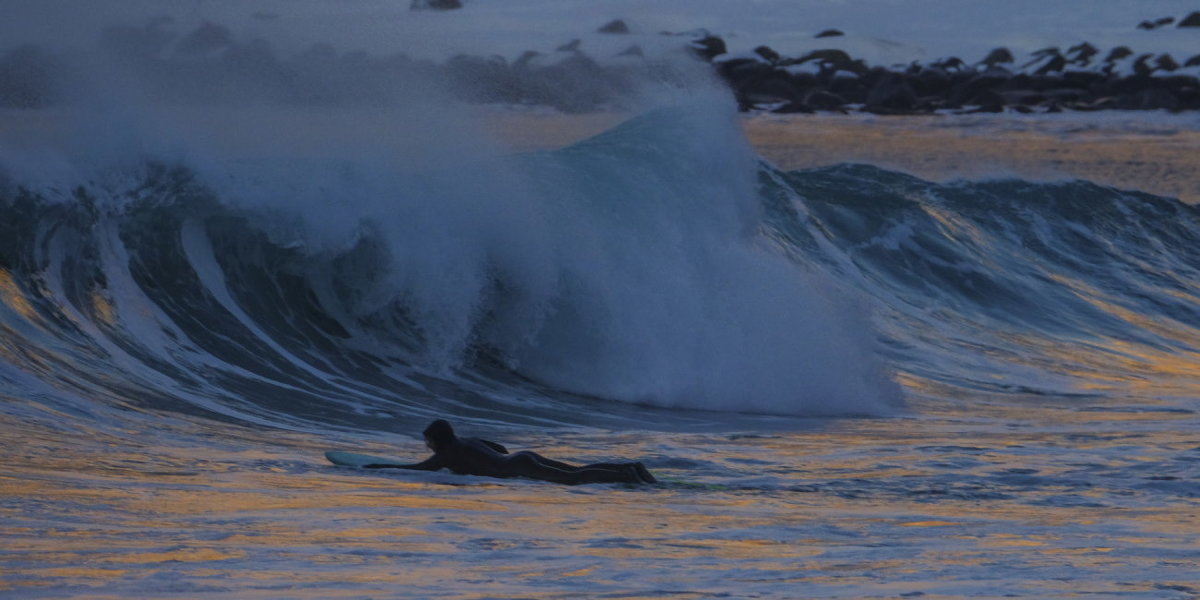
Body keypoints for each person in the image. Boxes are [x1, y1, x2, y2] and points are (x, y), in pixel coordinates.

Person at [363, 419, 656, 485]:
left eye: (428, 441)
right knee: (574, 470)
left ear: (437, 440)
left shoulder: (447, 454)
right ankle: (629, 467)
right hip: (520, 457)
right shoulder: (465, 441)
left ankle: (628, 475)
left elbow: (421, 469)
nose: (426, 446)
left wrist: (379, 467)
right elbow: (499, 448)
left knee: (571, 480)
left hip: (517, 468)